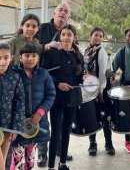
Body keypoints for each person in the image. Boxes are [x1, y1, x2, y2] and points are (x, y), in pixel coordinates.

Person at [42, 24, 84, 170]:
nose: (66, 37)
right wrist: (58, 83)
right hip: (56, 98)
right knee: (56, 132)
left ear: (74, 37)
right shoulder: (52, 53)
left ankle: (63, 163)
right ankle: (51, 166)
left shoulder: (78, 55)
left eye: (69, 35)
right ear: (60, 36)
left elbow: (79, 77)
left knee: (66, 131)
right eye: (63, 34)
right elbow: (45, 73)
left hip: (72, 99)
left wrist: (86, 78)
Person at [37, 2, 73, 166]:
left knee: (59, 121)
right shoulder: (43, 28)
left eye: (66, 11)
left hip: (59, 82)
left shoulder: (69, 31)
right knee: (42, 117)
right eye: (60, 10)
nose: (63, 13)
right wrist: (46, 47)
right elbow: (30, 46)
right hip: (40, 78)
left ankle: (58, 148)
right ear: (54, 13)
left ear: (68, 16)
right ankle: (42, 153)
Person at [10, 44, 56, 169]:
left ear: (38, 58)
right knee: (17, 158)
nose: (30, 59)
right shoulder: (12, 73)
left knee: (30, 157)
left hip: (36, 124)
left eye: (33, 56)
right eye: (26, 55)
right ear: (20, 57)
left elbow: (51, 94)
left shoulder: (44, 74)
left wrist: (40, 112)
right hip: (18, 124)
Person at [84, 27, 115, 156]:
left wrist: (101, 90)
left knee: (105, 116)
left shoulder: (101, 51)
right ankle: (92, 143)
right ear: (91, 36)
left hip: (102, 87)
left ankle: (109, 143)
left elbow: (102, 73)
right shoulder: (86, 51)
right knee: (92, 116)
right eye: (96, 35)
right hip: (89, 87)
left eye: (101, 36)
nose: (98, 38)